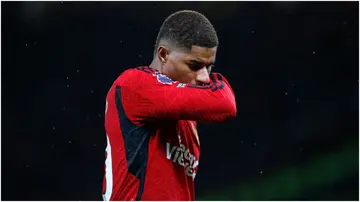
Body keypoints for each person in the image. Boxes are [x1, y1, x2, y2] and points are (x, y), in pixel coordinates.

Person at [102, 10, 237, 201]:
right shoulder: (135, 84)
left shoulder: (185, 117)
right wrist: (218, 83)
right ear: (164, 54)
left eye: (209, 67)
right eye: (194, 65)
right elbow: (225, 103)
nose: (205, 78)